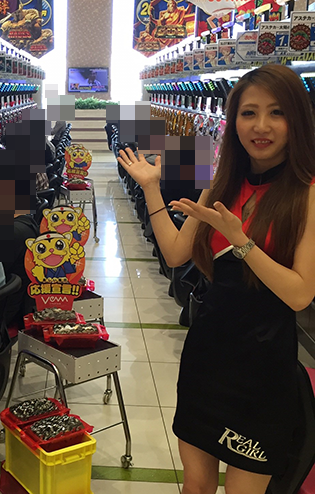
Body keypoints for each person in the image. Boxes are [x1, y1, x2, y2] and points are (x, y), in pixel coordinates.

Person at [117, 64, 315, 494]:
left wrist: (241, 241)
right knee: (196, 484)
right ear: (233, 120)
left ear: (297, 118)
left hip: (264, 369)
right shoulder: (223, 182)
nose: (260, 126)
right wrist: (151, 187)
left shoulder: (307, 191)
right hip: (207, 354)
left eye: (276, 112)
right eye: (249, 113)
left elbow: (300, 295)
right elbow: (175, 253)